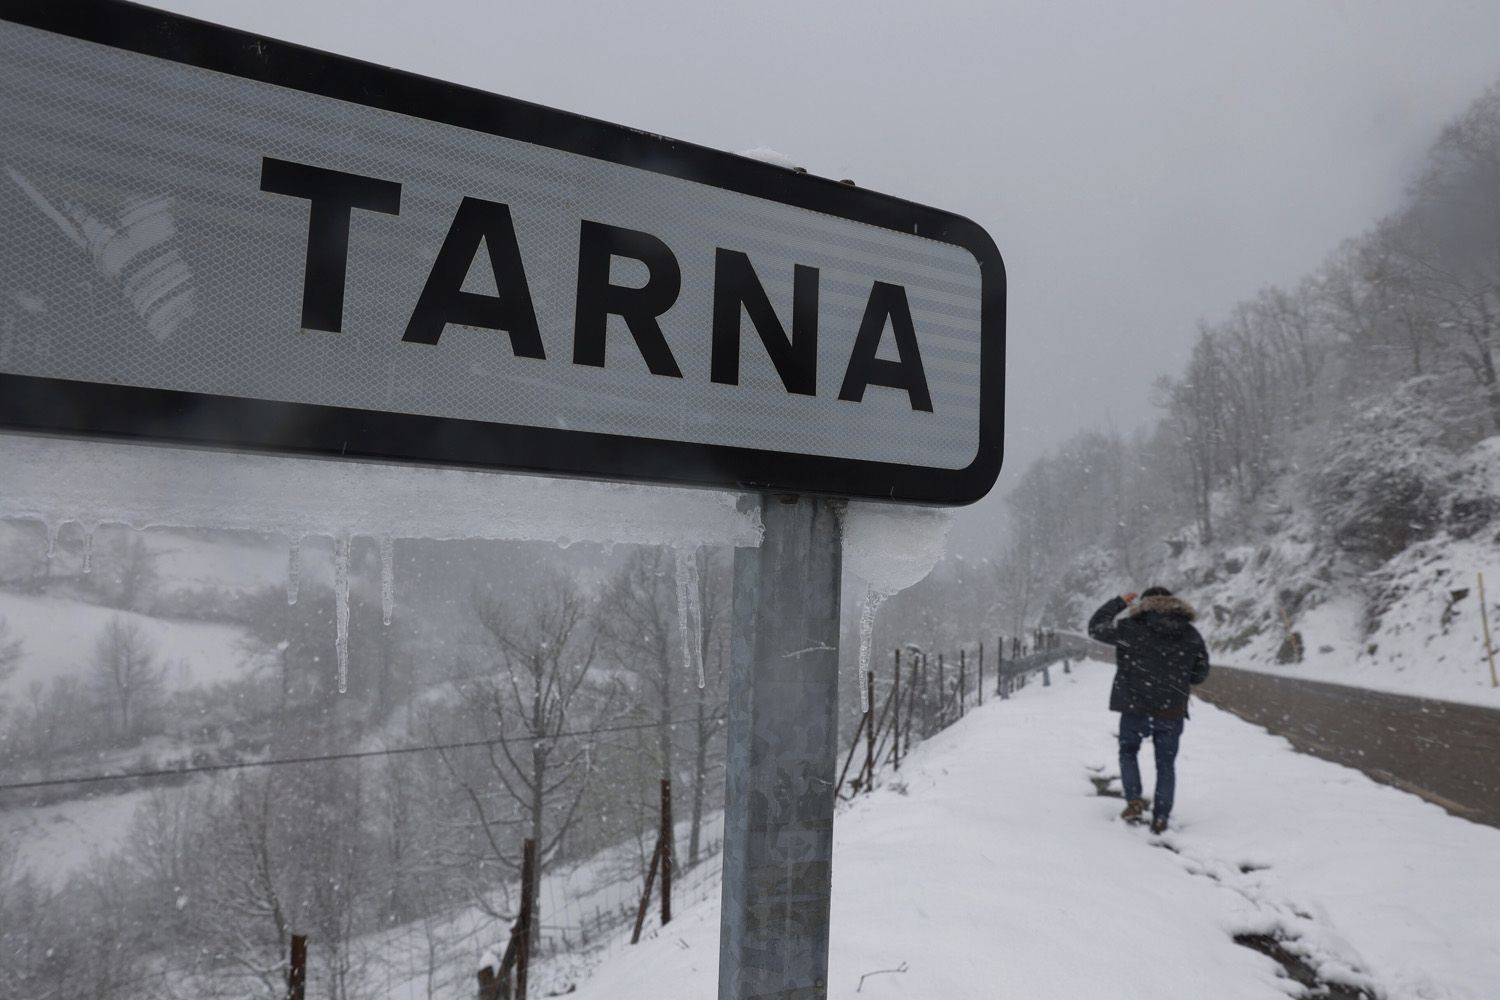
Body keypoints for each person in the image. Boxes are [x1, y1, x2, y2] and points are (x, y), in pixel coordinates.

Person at [1088, 586, 1210, 834]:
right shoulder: (1190, 633)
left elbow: (1096, 628)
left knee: (1128, 752)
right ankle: (1161, 817)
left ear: (1143, 604)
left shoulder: (1131, 629)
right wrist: (1177, 675)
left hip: (1135, 707)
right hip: (1171, 710)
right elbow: (1200, 674)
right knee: (1166, 764)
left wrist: (1119, 602)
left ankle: (1133, 801)